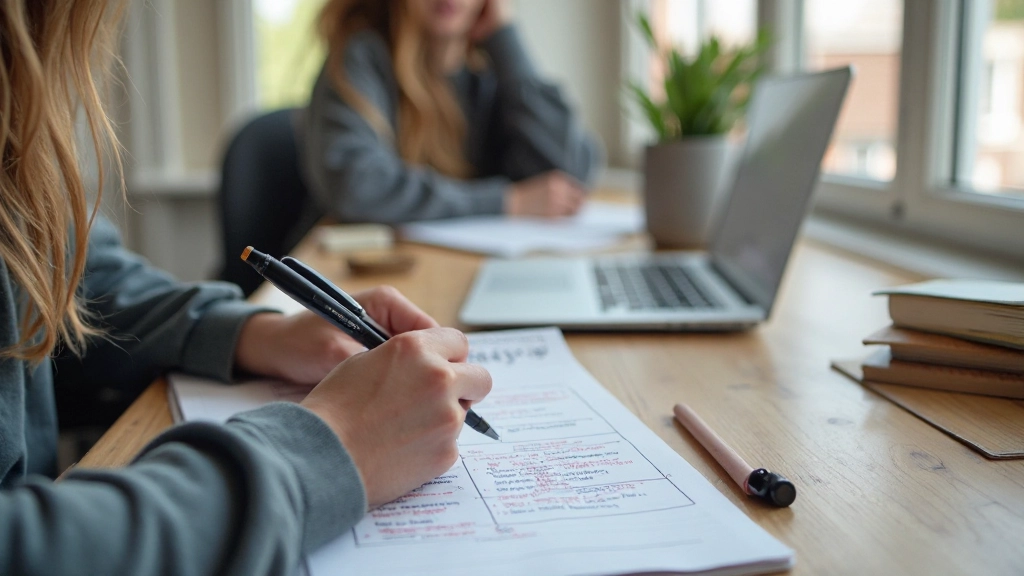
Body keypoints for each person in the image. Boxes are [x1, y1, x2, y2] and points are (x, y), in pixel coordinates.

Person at [0, 1, 491, 574]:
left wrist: (254, 332)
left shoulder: (14, 126)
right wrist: (332, 448)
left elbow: (79, 280)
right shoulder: (359, 57)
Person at [302, 0, 604, 223]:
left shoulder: (493, 72)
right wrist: (506, 201)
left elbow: (566, 174)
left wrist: (506, 40)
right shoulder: (360, 59)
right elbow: (356, 185)